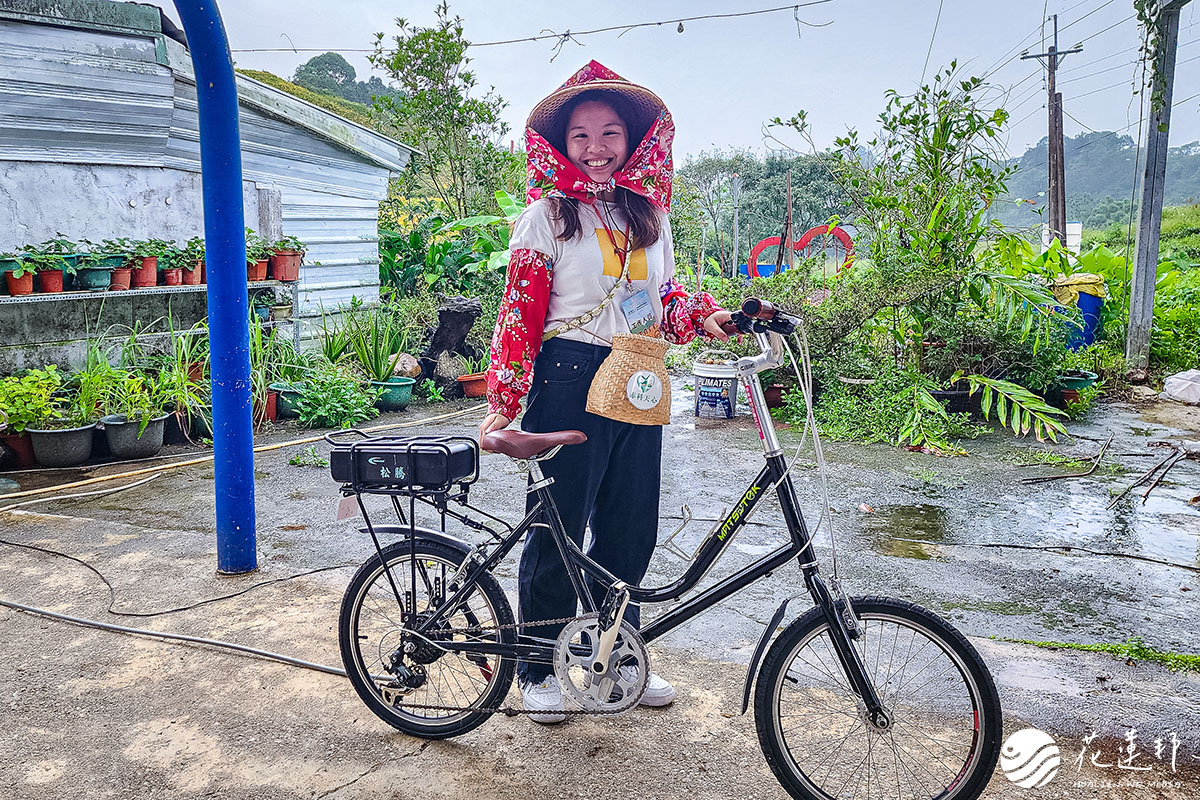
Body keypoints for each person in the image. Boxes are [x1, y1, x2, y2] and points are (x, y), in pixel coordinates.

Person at [479, 60, 733, 723]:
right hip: (568, 377)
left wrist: (703, 316)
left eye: (610, 133)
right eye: (582, 136)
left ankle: (614, 655)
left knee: (629, 530)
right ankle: (535, 666)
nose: (597, 149)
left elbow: (663, 304)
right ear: (561, 145)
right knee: (557, 531)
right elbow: (519, 316)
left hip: (640, 375)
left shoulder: (649, 215)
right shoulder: (546, 218)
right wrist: (503, 403)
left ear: (633, 140)